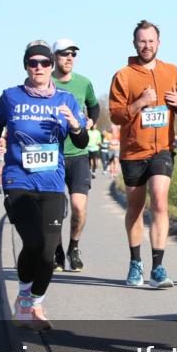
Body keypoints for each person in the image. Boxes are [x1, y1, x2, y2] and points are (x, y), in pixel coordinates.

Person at [0, 41, 88, 330]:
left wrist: (74, 125)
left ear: (51, 67)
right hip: (18, 178)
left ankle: (35, 302)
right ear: (26, 66)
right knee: (32, 242)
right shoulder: (11, 97)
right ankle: (23, 298)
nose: (39, 68)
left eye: (44, 63)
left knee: (48, 253)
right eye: (33, 63)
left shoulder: (66, 99)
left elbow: (81, 142)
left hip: (52, 182)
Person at [109, 19, 177, 289]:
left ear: (159, 42)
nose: (147, 46)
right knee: (134, 207)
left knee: (160, 200)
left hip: (162, 149)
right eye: (142, 41)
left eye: (151, 41)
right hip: (133, 151)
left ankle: (158, 266)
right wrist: (140, 102)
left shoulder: (172, 71)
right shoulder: (123, 76)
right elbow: (117, 115)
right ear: (134, 43)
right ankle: (135, 263)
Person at [50, 38, 100, 272]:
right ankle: (57, 251)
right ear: (54, 57)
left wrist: (92, 120)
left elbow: (94, 105)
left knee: (78, 207)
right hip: (53, 156)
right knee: (56, 209)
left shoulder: (83, 83)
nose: (69, 58)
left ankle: (74, 247)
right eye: (64, 54)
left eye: (73, 54)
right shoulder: (45, 82)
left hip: (79, 153)